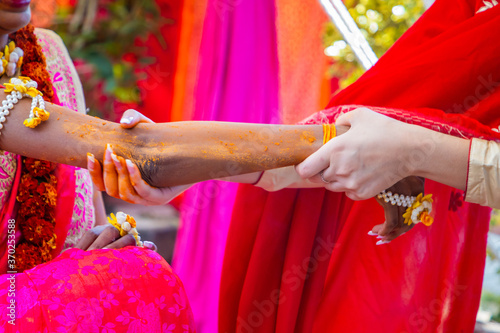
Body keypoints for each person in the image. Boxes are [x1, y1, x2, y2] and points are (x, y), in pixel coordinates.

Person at [88, 0, 500, 331]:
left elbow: (393, 132)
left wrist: (416, 149)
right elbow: (348, 128)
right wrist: (199, 163)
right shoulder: (467, 11)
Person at [0, 3, 195, 331]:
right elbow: (144, 152)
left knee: (136, 274)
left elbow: (92, 216)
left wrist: (102, 244)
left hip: (52, 299)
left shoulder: (48, 52)